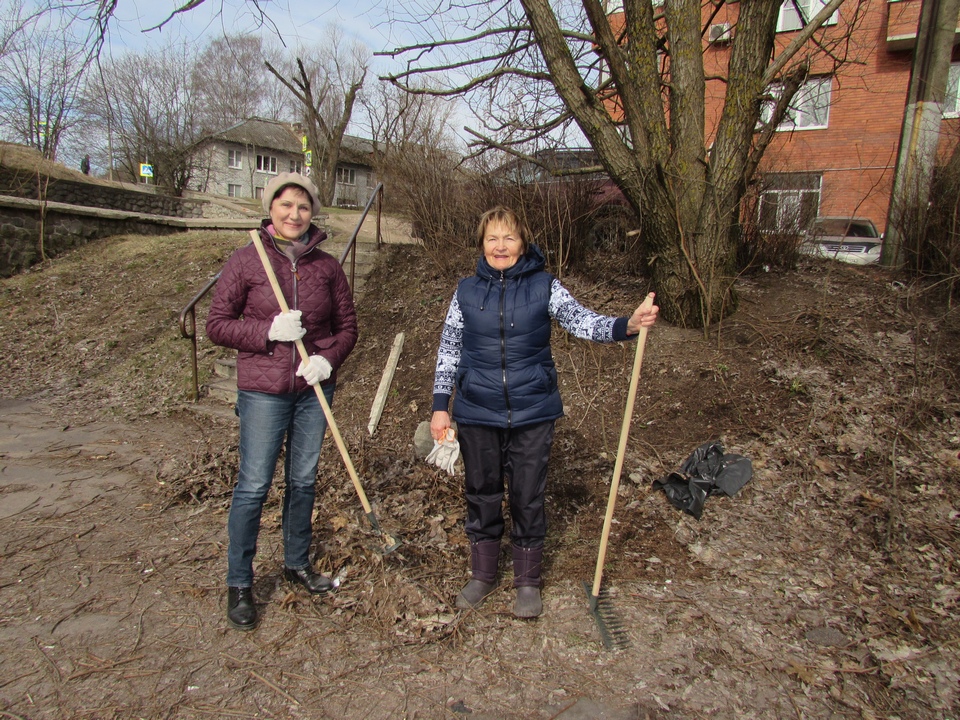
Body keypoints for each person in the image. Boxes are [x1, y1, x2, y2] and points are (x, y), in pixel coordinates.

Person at [430, 206, 658, 619]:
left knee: (527, 494)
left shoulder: (545, 286)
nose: (500, 246)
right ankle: (483, 575)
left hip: (533, 410)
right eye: (492, 239)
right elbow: (449, 349)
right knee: (481, 492)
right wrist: (439, 407)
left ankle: (528, 581)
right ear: (482, 245)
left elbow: (581, 321)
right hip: (477, 410)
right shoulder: (465, 291)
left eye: (509, 237)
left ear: (523, 241)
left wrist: (627, 324)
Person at [207, 172, 358, 631]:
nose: (295, 215)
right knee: (254, 486)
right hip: (263, 392)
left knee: (304, 482)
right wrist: (267, 330)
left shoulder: (328, 267)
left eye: (304, 207)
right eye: (286, 205)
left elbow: (348, 328)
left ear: (314, 213)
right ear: (271, 207)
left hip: (313, 391)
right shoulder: (246, 261)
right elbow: (216, 324)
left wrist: (327, 361)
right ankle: (239, 583)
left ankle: (296, 564)